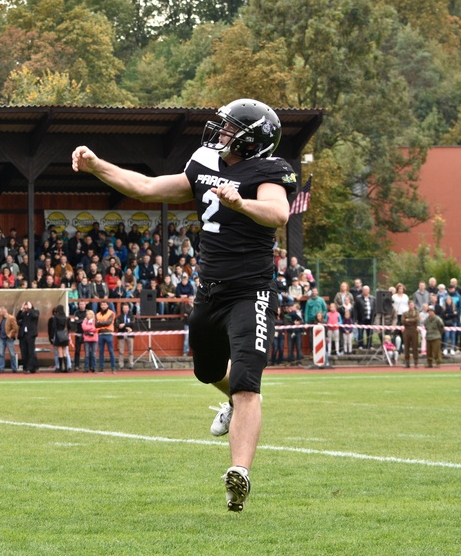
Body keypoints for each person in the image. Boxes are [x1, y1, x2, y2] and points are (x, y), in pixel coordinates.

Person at [73, 97, 295, 512]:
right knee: (207, 370)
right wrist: (97, 165)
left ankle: (239, 475)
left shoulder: (270, 170)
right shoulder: (204, 162)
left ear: (251, 141)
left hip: (251, 291)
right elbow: (146, 187)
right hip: (209, 290)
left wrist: (240, 203)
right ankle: (231, 402)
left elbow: (278, 213)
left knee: (247, 380)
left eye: (231, 129)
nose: (221, 134)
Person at [16, 300, 40, 373]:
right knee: (24, 352)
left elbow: (35, 316)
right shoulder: (23, 314)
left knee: (30, 351)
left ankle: (31, 367)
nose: (26, 307)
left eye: (27, 305)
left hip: (31, 335)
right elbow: (17, 318)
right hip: (23, 335)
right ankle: (25, 367)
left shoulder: (35, 312)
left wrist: (30, 309)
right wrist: (21, 309)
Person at [47, 304, 70, 372]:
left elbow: (53, 327)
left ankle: (60, 368)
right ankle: (66, 367)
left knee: (59, 352)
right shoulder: (66, 317)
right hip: (65, 334)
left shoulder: (56, 317)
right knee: (64, 352)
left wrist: (51, 336)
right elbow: (69, 326)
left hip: (58, 334)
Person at [95, 301, 116, 373]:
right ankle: (101, 368)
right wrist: (103, 323)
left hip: (108, 334)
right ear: (100, 306)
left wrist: (100, 323)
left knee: (111, 351)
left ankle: (113, 368)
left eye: (105, 305)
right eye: (102, 305)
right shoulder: (97, 314)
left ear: (107, 305)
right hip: (100, 334)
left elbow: (109, 322)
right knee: (101, 352)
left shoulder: (111, 313)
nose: (103, 306)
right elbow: (95, 324)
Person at [0, 306, 19, 373]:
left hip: (9, 338)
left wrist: (9, 334)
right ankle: (1, 368)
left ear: (4, 311)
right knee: (1, 353)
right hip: (2, 338)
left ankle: (14, 368)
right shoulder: (1, 319)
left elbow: (15, 328)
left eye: (0, 311)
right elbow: (0, 327)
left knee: (12, 353)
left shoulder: (11, 318)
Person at [401, 300, 420, 368]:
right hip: (407, 330)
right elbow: (403, 320)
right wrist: (411, 320)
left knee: (415, 347)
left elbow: (417, 319)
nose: (411, 306)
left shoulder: (416, 312)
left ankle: (416, 362)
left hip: (414, 330)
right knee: (406, 347)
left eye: (412, 305)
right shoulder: (405, 313)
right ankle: (407, 362)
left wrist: (408, 320)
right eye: (410, 305)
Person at [116, 302, 135, 369]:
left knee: (131, 351)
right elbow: (117, 325)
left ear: (129, 308)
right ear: (122, 309)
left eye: (126, 308)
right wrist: (123, 326)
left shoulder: (131, 316)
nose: (125, 309)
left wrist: (124, 325)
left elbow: (132, 323)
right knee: (121, 351)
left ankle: (131, 364)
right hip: (121, 335)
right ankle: (121, 365)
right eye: (124, 308)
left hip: (130, 335)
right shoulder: (119, 317)